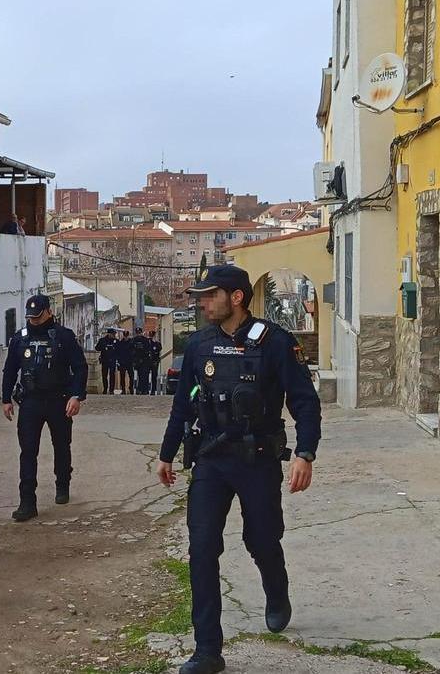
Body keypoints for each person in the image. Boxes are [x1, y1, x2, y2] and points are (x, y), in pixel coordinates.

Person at [156, 264, 321, 674]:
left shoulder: (275, 343)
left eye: (210, 295)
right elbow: (183, 405)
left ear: (237, 298)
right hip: (211, 459)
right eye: (200, 296)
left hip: (258, 459)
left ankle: (276, 591)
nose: (202, 302)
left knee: (261, 539)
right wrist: (166, 453)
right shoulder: (199, 345)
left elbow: (304, 401)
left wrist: (305, 453)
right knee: (202, 549)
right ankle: (207, 649)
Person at [1, 294, 88, 521]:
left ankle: (62, 483)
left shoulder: (63, 337)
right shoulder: (20, 339)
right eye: (31, 318)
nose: (34, 321)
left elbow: (80, 367)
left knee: (61, 445)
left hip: (59, 399)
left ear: (48, 312)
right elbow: (10, 369)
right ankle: (27, 502)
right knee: (28, 451)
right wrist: (5, 399)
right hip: (30, 401)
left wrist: (76, 396)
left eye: (38, 317)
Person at [95, 328, 119, 394]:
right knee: (104, 375)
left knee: (112, 375)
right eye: (112, 334)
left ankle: (111, 390)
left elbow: (119, 350)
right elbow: (97, 348)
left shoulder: (116, 341)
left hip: (112, 360)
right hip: (105, 360)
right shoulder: (102, 340)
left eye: (114, 334)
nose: (114, 335)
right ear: (108, 334)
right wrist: (103, 347)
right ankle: (105, 389)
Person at [131, 327, 154, 395]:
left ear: (141, 332)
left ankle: (145, 390)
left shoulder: (145, 340)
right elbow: (131, 349)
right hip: (137, 361)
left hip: (145, 360)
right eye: (137, 333)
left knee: (145, 375)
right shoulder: (133, 340)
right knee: (140, 375)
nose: (138, 334)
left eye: (139, 333)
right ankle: (139, 389)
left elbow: (148, 349)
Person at [115, 330, 134, 394]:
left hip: (130, 362)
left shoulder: (131, 343)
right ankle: (123, 389)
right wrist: (119, 361)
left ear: (128, 336)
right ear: (123, 335)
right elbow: (117, 353)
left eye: (126, 336)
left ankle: (131, 389)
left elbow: (134, 352)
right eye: (125, 336)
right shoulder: (120, 343)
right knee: (122, 377)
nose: (126, 337)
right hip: (122, 362)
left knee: (131, 376)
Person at [148, 330, 163, 395]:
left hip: (155, 361)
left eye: (152, 336)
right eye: (150, 336)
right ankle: (145, 390)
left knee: (154, 376)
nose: (151, 337)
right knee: (145, 376)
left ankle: (153, 390)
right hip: (148, 361)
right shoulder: (148, 342)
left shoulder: (157, 343)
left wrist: (154, 342)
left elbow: (159, 349)